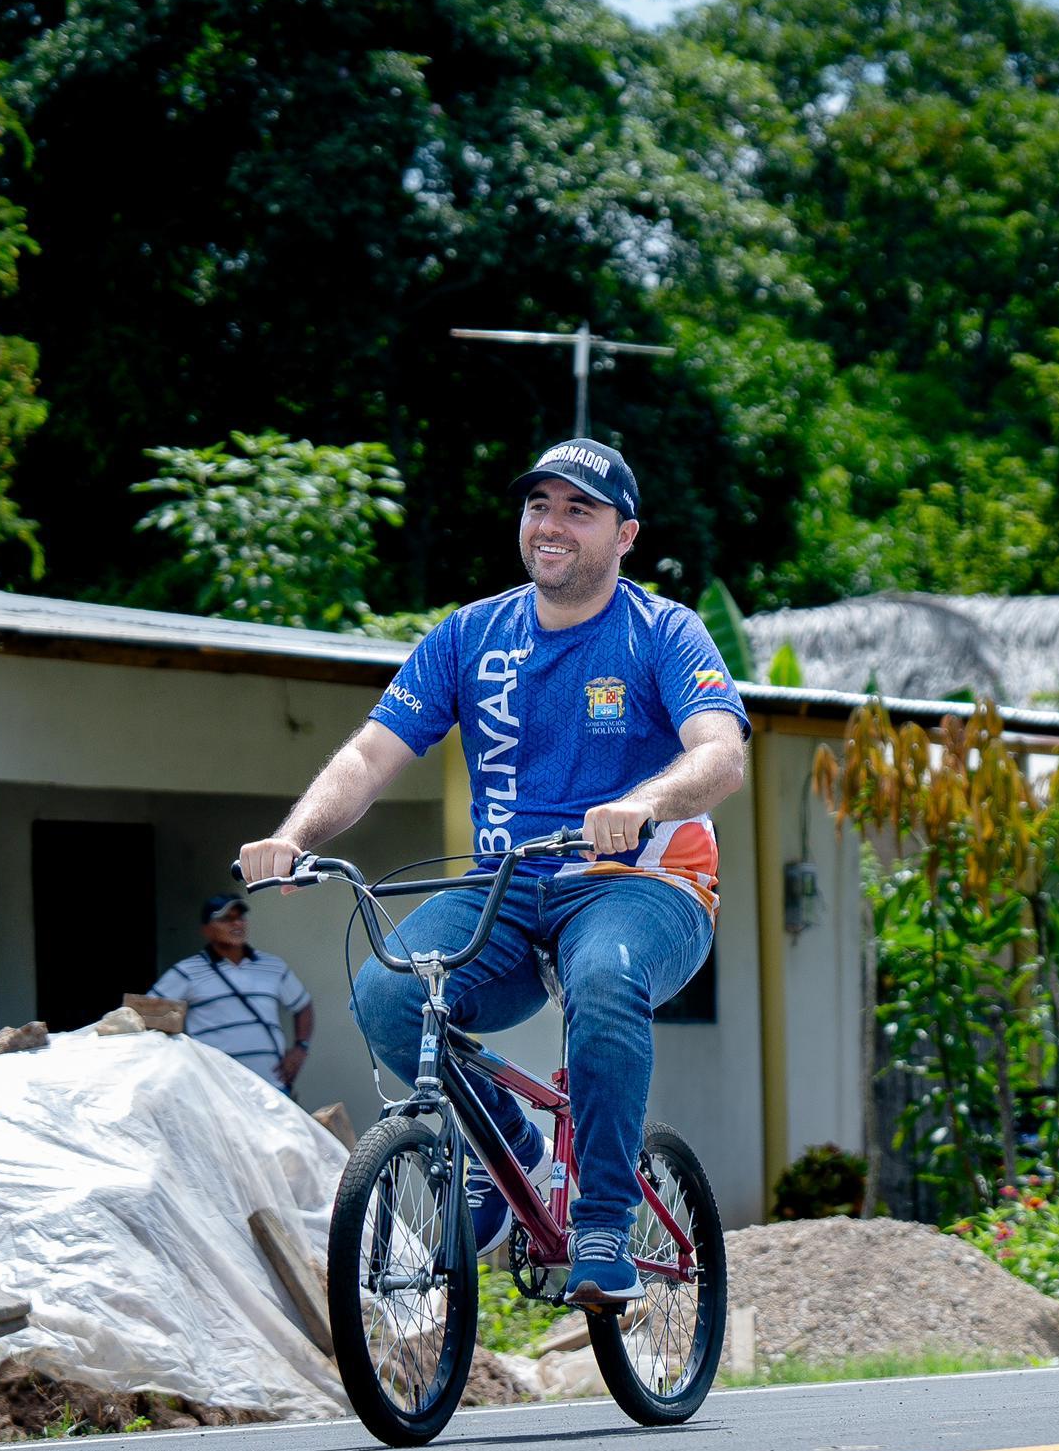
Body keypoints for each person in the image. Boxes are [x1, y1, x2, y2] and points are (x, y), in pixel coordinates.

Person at [238, 439, 745, 1308]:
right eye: (539, 506)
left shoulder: (662, 631)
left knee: (605, 977)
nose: (551, 525)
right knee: (390, 995)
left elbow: (722, 755)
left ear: (625, 536)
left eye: (578, 511)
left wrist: (646, 804)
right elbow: (370, 754)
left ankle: (603, 1221)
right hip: (508, 888)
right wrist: (294, 835)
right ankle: (510, 1149)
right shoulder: (470, 635)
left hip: (646, 884)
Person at [150, 894, 313, 1090]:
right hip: (219, 1092)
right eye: (226, 919)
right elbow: (148, 1014)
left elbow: (303, 1006)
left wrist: (300, 1049)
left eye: (240, 917)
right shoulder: (187, 971)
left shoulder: (273, 966)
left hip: (272, 1088)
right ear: (207, 930)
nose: (236, 924)